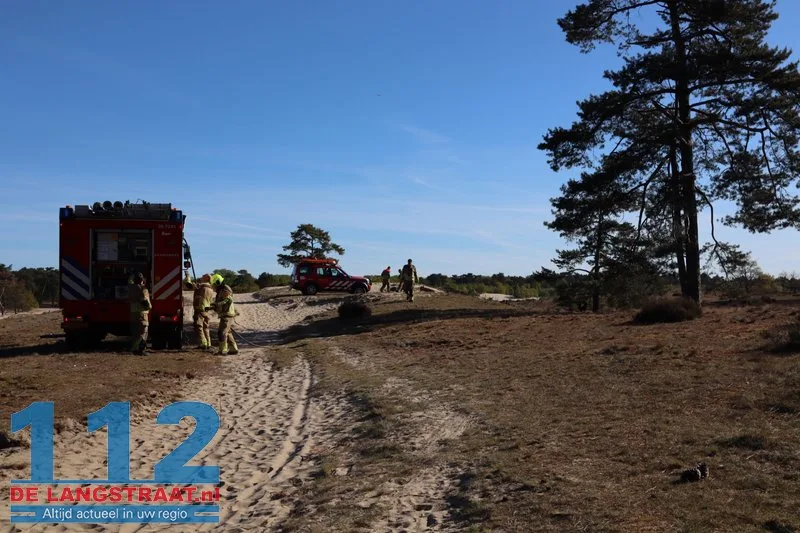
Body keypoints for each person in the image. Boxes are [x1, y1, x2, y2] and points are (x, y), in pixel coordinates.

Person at [209, 274, 238, 355]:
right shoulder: (221, 290)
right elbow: (220, 302)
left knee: (221, 332)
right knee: (227, 332)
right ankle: (233, 349)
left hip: (227, 314)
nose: (213, 287)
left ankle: (223, 350)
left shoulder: (225, 289)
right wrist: (212, 307)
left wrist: (216, 305)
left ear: (218, 283)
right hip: (225, 313)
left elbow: (226, 301)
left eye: (214, 285)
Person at [185, 272, 215, 349]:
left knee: (199, 326)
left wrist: (187, 276)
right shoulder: (211, 288)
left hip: (199, 308)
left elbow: (188, 285)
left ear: (207, 278)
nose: (202, 276)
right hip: (206, 309)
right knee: (206, 326)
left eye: (204, 276)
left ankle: (203, 343)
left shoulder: (201, 286)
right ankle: (208, 343)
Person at [128, 271, 151, 355]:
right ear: (141, 280)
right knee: (143, 332)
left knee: (135, 333)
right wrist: (149, 307)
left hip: (133, 314)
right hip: (142, 314)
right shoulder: (143, 289)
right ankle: (140, 350)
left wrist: (132, 275)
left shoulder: (130, 287)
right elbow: (144, 301)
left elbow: (130, 281)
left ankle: (135, 349)